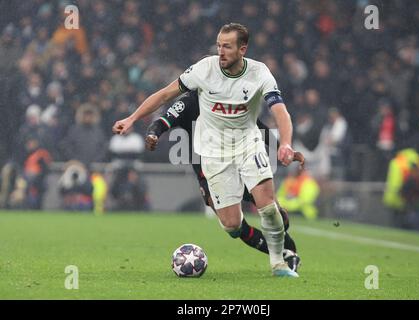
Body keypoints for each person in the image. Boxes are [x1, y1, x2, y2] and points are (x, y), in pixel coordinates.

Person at [113, 23, 301, 277]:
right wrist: (133, 118)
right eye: (219, 45)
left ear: (242, 49)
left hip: (248, 145)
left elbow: (280, 111)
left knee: (267, 206)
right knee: (232, 225)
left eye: (227, 46)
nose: (220, 51)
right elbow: (164, 94)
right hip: (213, 154)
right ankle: (275, 242)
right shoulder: (204, 69)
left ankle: (279, 262)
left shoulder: (260, 73)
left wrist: (286, 143)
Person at [145, 90, 303, 272]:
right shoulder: (188, 102)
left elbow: (255, 125)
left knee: (276, 215)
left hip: (239, 164)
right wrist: (153, 134)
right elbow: (163, 121)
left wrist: (282, 147)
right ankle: (285, 255)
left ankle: (288, 251)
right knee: (234, 227)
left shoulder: (228, 97)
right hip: (208, 173)